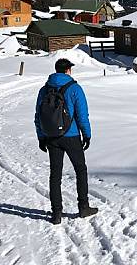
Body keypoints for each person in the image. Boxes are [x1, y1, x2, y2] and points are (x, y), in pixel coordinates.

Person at [34, 58, 98, 224]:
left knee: (55, 175)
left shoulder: (44, 90)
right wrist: (87, 134)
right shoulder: (75, 88)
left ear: (56, 70)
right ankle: (83, 207)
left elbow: (38, 115)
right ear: (68, 70)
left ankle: (56, 213)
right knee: (80, 170)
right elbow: (82, 114)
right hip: (71, 137)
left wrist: (41, 137)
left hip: (51, 137)